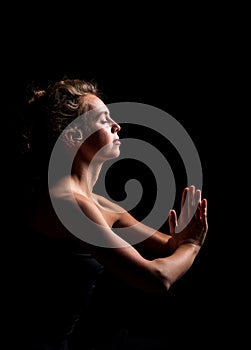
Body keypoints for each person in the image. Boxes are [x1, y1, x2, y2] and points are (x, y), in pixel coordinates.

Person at [18, 78, 208, 350]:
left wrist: (183, 241)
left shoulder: (98, 204)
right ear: (74, 136)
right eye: (104, 119)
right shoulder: (68, 205)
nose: (117, 125)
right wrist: (192, 244)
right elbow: (157, 278)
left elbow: (169, 247)